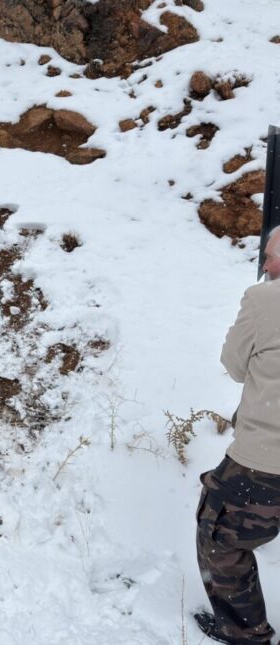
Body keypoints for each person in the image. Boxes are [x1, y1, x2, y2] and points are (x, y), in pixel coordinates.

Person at [194, 228, 280, 644]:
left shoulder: (266, 299)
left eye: (269, 256)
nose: (265, 265)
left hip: (265, 458)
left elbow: (234, 365)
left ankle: (245, 635)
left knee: (219, 537)